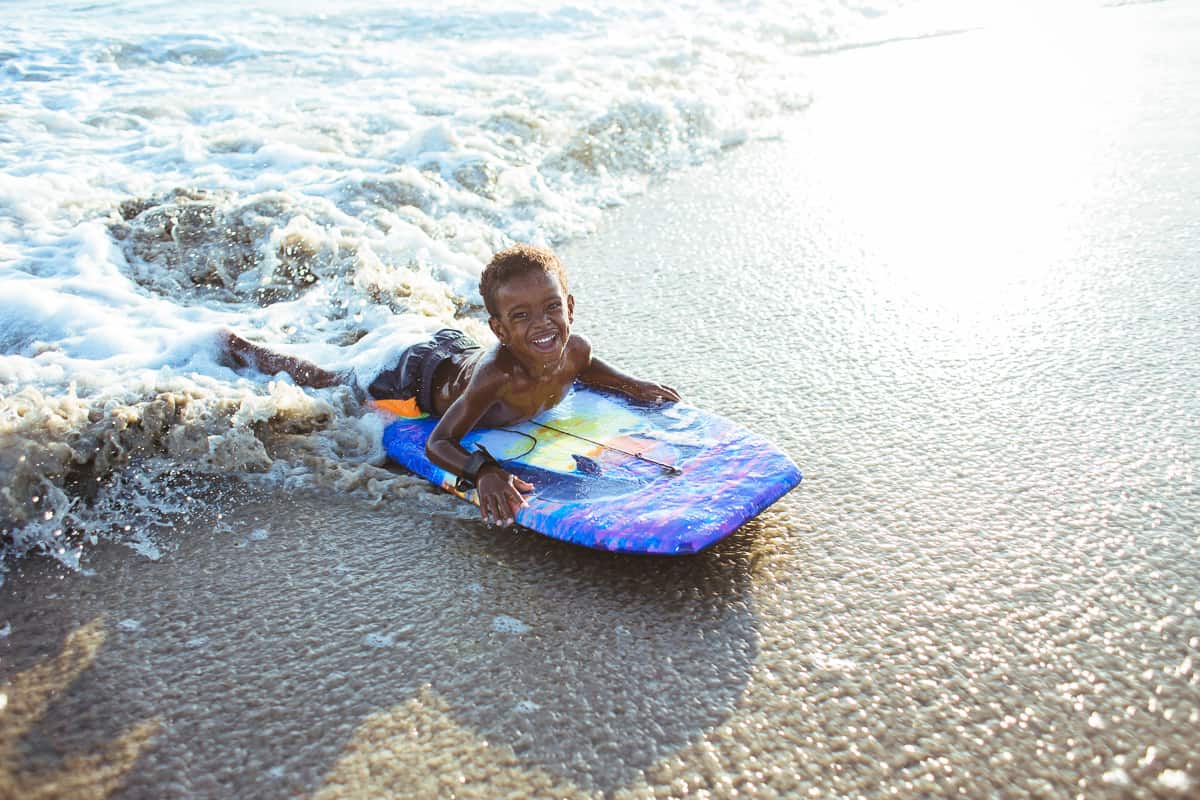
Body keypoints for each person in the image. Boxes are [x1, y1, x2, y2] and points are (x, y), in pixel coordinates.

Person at [220, 244, 679, 528]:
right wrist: (484, 472)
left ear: (570, 307)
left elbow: (586, 365)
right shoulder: (498, 376)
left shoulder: (575, 348)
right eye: (521, 316)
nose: (543, 325)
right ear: (499, 329)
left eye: (551, 308)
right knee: (331, 381)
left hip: (454, 348)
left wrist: (630, 383)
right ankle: (240, 349)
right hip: (411, 378)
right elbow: (441, 441)